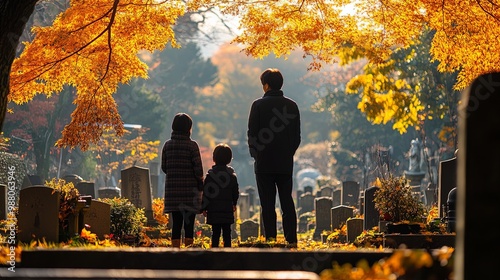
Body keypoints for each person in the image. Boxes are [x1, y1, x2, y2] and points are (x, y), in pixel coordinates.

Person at [247, 68, 301, 246]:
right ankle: (291, 239)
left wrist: (256, 154)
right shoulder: (292, 106)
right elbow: (296, 137)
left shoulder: (258, 105)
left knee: (267, 204)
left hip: (263, 163)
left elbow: (252, 134)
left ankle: (270, 239)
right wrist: (288, 153)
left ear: (266, 85)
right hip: (285, 163)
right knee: (287, 201)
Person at [161, 112, 204, 248]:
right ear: (188, 128)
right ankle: (189, 250)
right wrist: (200, 183)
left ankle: (175, 250)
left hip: (173, 191)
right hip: (190, 192)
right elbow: (198, 170)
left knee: (176, 223)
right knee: (189, 223)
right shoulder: (192, 146)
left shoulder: (167, 145)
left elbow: (164, 167)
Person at [201, 143, 239, 248]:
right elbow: (235, 192)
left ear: (214, 158)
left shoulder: (210, 176)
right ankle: (228, 253)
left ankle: (214, 253)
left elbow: (206, 193)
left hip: (213, 209)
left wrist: (203, 207)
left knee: (215, 232)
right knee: (227, 232)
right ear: (229, 159)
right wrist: (234, 203)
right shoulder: (232, 176)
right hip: (227, 209)